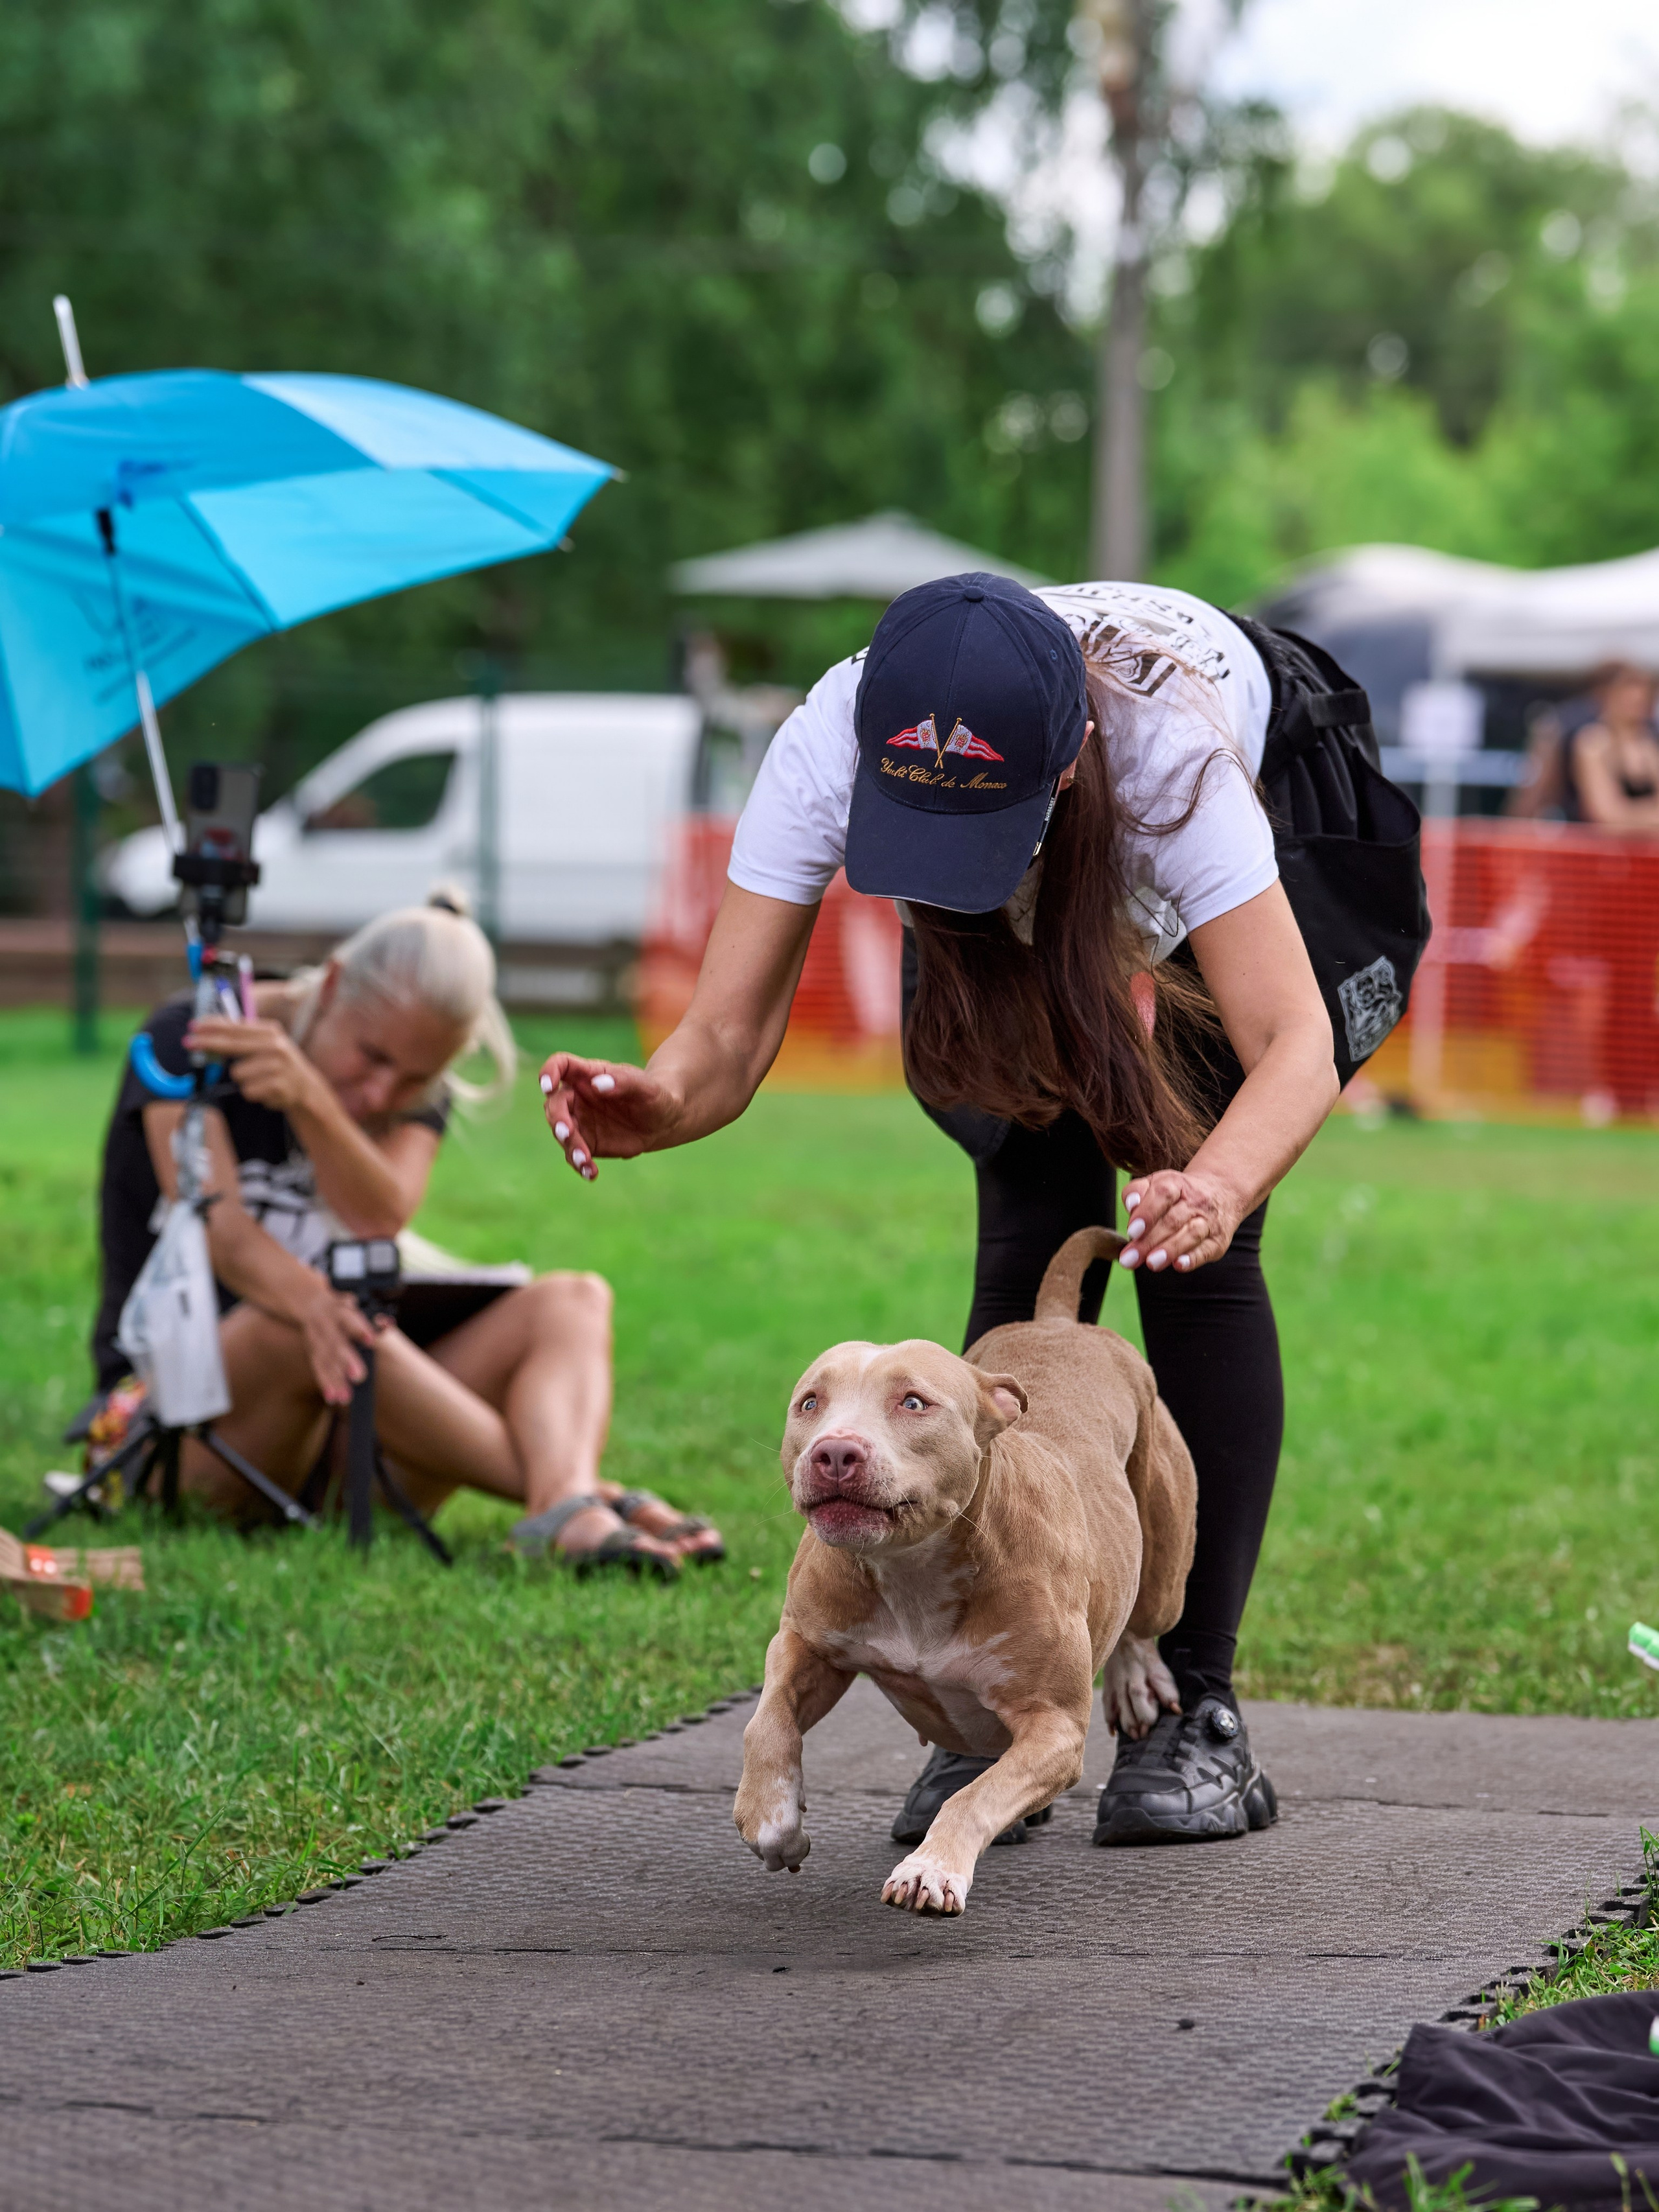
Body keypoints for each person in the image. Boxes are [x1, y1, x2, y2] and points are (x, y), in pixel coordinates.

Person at [540, 574, 1424, 1846]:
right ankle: (995, 1691)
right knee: (1026, 1206)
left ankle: (1196, 1707)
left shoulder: (1170, 761)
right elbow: (721, 1036)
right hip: (1053, 848)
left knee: (1189, 1246)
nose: (948, 886)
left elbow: (1289, 1036)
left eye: (977, 838)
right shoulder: (834, 738)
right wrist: (660, 1098)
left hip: (1260, 804)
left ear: (1059, 767)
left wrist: (1215, 1183)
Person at [91, 891, 720, 1574]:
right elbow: (227, 1237)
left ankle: (566, 1500)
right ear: (330, 986)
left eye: (415, 1078)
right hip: (178, 1428)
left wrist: (309, 1096)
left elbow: (378, 1215)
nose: (380, 1095)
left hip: (342, 1440)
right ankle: (584, 1500)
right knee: (309, 1315)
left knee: (573, 1300)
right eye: (370, 1056)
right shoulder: (192, 1035)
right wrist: (311, 1303)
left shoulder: (408, 1090)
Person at [1508, 663, 1659, 828]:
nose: (1637, 708)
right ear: (1607, 697)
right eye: (1630, 701)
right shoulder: (1592, 742)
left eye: (1642, 702)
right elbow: (1606, 816)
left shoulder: (1648, 744)